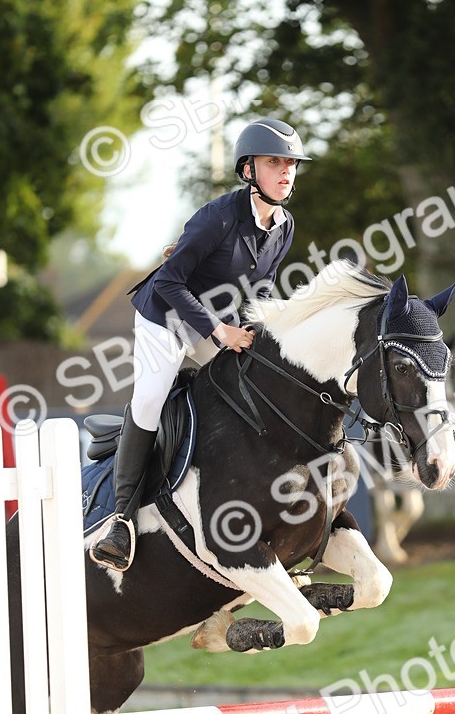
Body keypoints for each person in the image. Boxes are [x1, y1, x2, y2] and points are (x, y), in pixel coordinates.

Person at [91, 117, 311, 572]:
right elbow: (168, 281)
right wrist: (220, 331)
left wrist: (258, 330)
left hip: (216, 325)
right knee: (150, 398)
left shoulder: (285, 225)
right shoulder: (218, 217)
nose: (286, 172)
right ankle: (121, 520)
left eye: (290, 164)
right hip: (165, 318)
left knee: (253, 385)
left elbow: (262, 288)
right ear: (248, 170)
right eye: (275, 163)